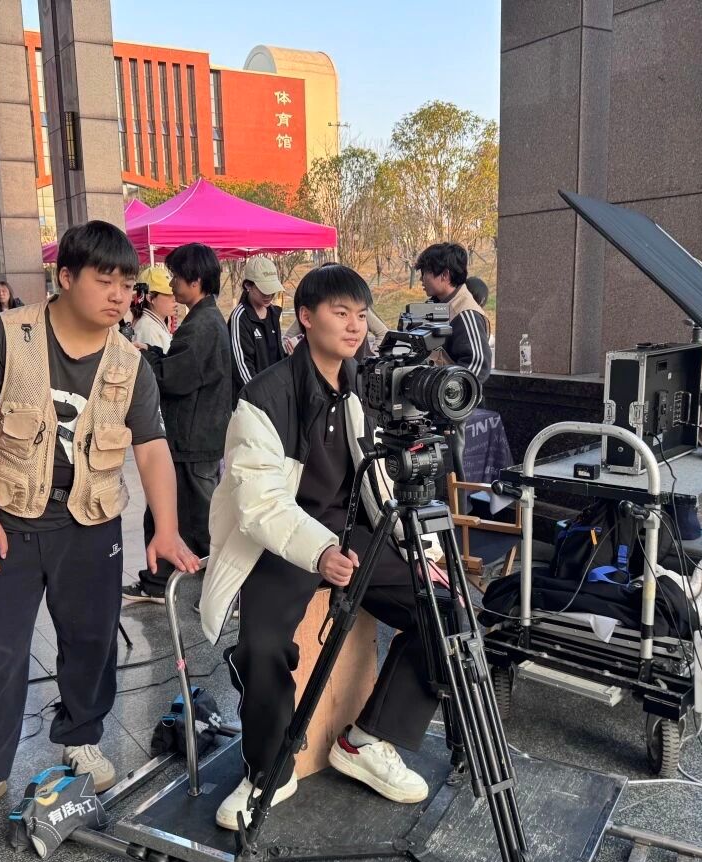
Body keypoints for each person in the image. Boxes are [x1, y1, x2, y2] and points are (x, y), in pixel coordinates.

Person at [0, 221, 198, 835]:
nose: (119, 295)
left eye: (128, 283)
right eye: (105, 280)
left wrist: (165, 527)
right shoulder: (6, 336)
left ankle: (81, 738)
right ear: (67, 277)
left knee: (91, 640)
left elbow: (152, 447)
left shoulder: (130, 362)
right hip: (9, 518)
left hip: (91, 523)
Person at [199, 263, 443, 829]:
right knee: (260, 647)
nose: (355, 326)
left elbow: (381, 481)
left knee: (444, 610)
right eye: (340, 313)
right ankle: (268, 770)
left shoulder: (364, 383)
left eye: (361, 314)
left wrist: (422, 549)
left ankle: (367, 739)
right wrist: (318, 552)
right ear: (306, 318)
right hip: (281, 538)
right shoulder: (265, 396)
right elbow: (259, 502)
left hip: (353, 526)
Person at [121, 243, 231, 604]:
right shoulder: (204, 319)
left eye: (176, 277)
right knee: (170, 512)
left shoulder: (203, 325)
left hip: (193, 438)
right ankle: (158, 582)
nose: (172, 284)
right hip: (195, 436)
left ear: (195, 281)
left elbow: (174, 378)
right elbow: (181, 368)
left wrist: (145, 359)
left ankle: (226, 593)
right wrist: (153, 353)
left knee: (198, 521)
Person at [414, 243, 492, 384]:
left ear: (445, 275)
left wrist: (443, 389)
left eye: (425, 272)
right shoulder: (434, 305)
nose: (421, 279)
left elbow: (477, 366)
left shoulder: (466, 313)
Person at [228, 255, 286, 405]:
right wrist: (261, 398)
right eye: (263, 290)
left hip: (276, 396)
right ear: (248, 286)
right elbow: (242, 367)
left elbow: (278, 357)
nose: (269, 295)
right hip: (252, 402)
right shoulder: (239, 318)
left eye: (272, 290)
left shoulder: (273, 313)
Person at [130, 265, 174, 352]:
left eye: (174, 293)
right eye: (168, 294)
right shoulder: (149, 330)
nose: (174, 299)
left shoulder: (153, 325)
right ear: (150, 298)